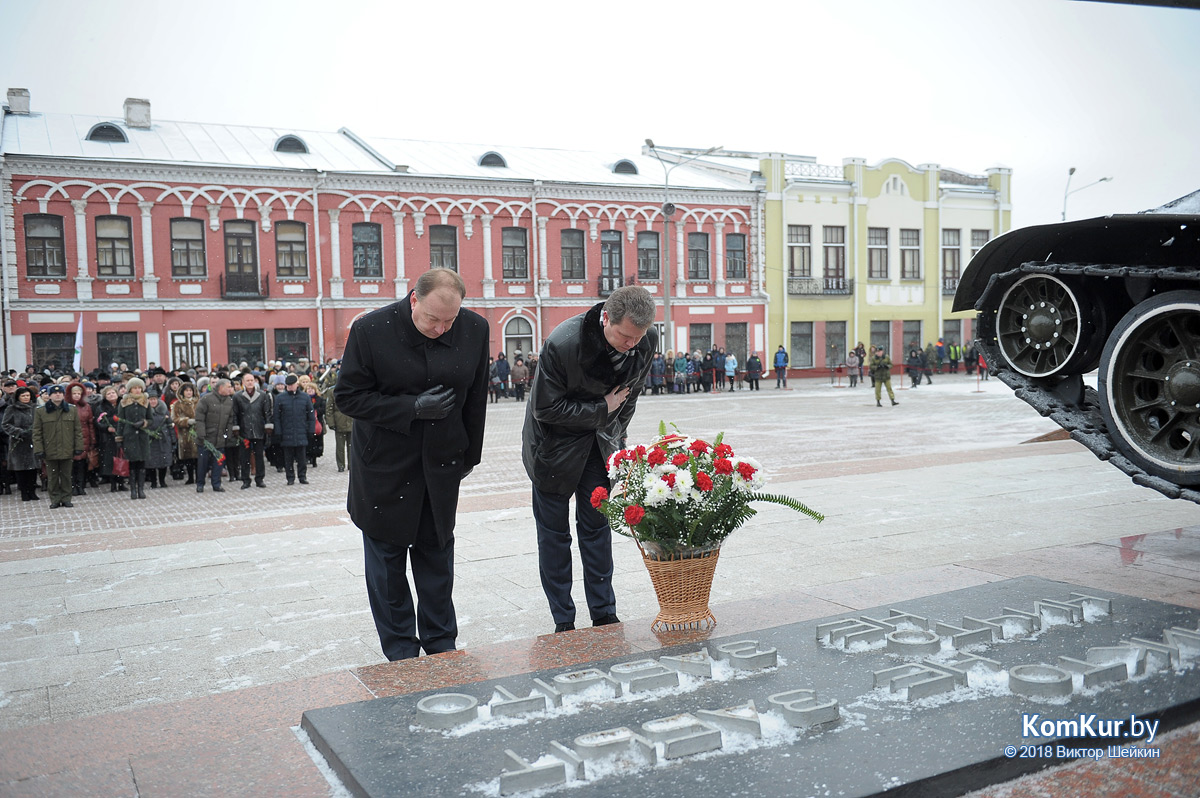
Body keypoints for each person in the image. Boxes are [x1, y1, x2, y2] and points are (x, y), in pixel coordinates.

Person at [335, 268, 489, 661]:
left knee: (436, 556)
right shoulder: (371, 330)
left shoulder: (474, 329)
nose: (441, 329)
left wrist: (468, 456)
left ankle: (441, 644)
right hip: (384, 466)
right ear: (414, 300)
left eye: (449, 321)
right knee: (387, 565)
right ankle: (401, 651)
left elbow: (475, 398)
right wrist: (411, 408)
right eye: (432, 319)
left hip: (440, 465)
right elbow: (348, 398)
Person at [522, 285, 658, 633]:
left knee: (597, 528)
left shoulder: (644, 339)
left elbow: (631, 397)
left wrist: (616, 436)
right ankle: (563, 619)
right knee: (554, 536)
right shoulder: (564, 343)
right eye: (625, 336)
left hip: (598, 445)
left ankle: (604, 612)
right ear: (605, 318)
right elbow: (545, 408)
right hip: (552, 447)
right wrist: (602, 409)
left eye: (638, 338)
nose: (632, 345)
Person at [194, 378, 236, 493]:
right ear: (221, 387)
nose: (230, 389)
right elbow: (199, 418)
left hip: (220, 438)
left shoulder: (229, 401)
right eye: (228, 387)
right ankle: (200, 484)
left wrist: (228, 434)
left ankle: (216, 484)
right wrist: (201, 433)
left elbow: (230, 420)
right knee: (203, 462)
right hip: (206, 438)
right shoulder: (206, 399)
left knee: (219, 462)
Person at [272, 375, 314, 485]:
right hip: (287, 432)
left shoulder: (305, 397)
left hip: (301, 431)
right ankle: (290, 477)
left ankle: (302, 476)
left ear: (297, 384)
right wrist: (278, 432)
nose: (290, 387)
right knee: (288, 458)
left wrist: (311, 430)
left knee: (302, 457)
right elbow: (276, 417)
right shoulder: (280, 398)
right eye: (288, 385)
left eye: (292, 385)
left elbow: (311, 416)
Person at [116, 377, 153, 500]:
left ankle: (141, 489)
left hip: (142, 436)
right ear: (130, 389)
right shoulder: (124, 402)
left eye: (139, 388)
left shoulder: (145, 401)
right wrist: (119, 438)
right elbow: (120, 421)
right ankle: (133, 490)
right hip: (129, 436)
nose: (137, 390)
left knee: (141, 464)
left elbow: (151, 419)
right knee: (132, 464)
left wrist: (144, 423)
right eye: (134, 388)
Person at [233, 372, 272, 489]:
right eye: (247, 380)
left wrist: (268, 426)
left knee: (259, 456)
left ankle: (260, 479)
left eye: (252, 380)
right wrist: (236, 427)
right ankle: (245, 480)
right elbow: (234, 414)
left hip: (258, 429)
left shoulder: (262, 395)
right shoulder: (237, 396)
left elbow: (267, 412)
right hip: (244, 431)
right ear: (243, 383)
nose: (250, 382)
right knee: (244, 457)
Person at [3, 386, 38, 501]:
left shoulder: (35, 408)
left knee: (33, 467)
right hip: (18, 441)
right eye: (23, 396)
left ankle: (32, 491)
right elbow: (6, 425)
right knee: (21, 468)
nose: (26, 398)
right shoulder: (11, 408)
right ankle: (24, 492)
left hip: (33, 440)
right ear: (18, 397)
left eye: (27, 395)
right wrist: (19, 432)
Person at [94, 385, 126, 492]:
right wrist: (107, 428)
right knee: (110, 461)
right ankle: (113, 484)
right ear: (105, 396)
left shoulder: (123, 404)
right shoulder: (101, 407)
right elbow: (98, 422)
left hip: (122, 435)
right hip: (108, 438)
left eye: (113, 393)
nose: (111, 395)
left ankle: (121, 482)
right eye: (109, 393)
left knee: (121, 458)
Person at [67, 382, 96, 495]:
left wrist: (93, 440)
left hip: (84, 436)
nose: (77, 396)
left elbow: (91, 424)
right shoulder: (66, 406)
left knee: (82, 463)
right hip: (70, 436)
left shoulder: (86, 406)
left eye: (79, 393)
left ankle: (81, 485)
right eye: (74, 393)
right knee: (72, 463)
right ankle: (73, 485)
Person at [144, 389, 175, 489]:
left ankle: (162, 481)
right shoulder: (145, 411)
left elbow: (170, 425)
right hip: (150, 440)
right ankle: (153, 482)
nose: (153, 401)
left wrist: (173, 438)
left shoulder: (163, 410)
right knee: (151, 463)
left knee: (163, 461)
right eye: (150, 399)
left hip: (163, 439)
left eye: (154, 399)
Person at [323, 375, 353, 472]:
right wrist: (331, 423)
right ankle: (341, 465)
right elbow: (329, 408)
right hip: (339, 421)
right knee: (340, 446)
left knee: (351, 446)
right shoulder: (332, 392)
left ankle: (351, 464)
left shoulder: (352, 389)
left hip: (351, 421)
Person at [171, 382, 199, 484]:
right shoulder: (178, 404)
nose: (189, 393)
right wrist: (186, 421)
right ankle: (190, 477)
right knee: (188, 458)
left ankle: (199, 476)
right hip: (185, 434)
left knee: (198, 457)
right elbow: (175, 418)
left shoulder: (198, 402)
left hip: (198, 432)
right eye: (187, 391)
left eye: (190, 391)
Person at [304, 381, 326, 468]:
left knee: (317, 441)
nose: (310, 390)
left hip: (317, 422)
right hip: (307, 422)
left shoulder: (319, 399)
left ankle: (314, 458)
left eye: (311, 389)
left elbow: (323, 409)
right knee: (308, 441)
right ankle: (307, 456)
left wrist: (316, 412)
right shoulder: (304, 398)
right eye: (308, 389)